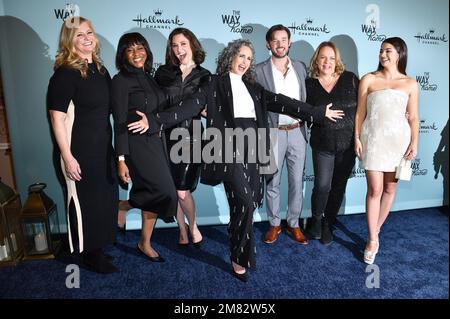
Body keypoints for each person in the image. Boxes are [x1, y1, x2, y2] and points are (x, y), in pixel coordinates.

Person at [144, 39, 344, 282]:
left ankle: (236, 235)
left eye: (249, 58)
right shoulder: (214, 84)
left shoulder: (254, 88)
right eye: (241, 56)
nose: (245, 62)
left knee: (247, 204)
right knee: (246, 203)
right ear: (230, 56)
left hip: (254, 148)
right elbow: (188, 107)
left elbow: (284, 102)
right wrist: (153, 121)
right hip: (227, 148)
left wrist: (317, 112)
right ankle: (239, 257)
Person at [47, 16, 119, 273]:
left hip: (102, 149)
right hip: (78, 151)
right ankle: (84, 253)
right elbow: (57, 117)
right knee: (83, 203)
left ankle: (94, 248)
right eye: (79, 34)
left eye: (89, 32)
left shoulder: (101, 71)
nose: (86, 37)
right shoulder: (65, 74)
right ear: (69, 41)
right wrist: (67, 156)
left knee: (102, 200)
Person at [111, 32, 180, 262]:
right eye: (130, 50)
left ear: (147, 51)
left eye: (140, 48)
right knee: (164, 191)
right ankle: (125, 208)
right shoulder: (120, 81)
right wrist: (121, 159)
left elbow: (157, 108)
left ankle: (143, 240)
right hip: (135, 144)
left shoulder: (150, 76)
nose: (137, 54)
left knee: (154, 193)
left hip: (155, 141)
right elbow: (119, 121)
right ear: (123, 56)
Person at [354, 37, 419, 264]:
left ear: (400, 53)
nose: (383, 55)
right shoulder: (369, 79)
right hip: (373, 140)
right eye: (381, 51)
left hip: (399, 142)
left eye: (388, 51)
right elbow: (360, 113)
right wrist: (356, 138)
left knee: (390, 189)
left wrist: (414, 143)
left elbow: (414, 117)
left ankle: (376, 231)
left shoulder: (411, 83)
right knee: (375, 189)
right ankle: (372, 239)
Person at [153, 28, 210, 247]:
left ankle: (193, 225)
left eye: (183, 44)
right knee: (172, 188)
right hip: (165, 137)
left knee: (182, 191)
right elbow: (155, 102)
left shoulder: (205, 76)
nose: (179, 50)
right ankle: (182, 231)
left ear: (192, 45)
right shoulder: (163, 73)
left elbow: (206, 105)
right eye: (174, 45)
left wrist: (207, 110)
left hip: (192, 137)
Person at [255, 24, 308, 245]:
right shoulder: (258, 71)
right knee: (272, 181)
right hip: (271, 134)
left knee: (297, 182)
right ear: (268, 44)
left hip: (297, 132)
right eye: (275, 40)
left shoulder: (301, 68)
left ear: (290, 42)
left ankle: (293, 224)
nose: (280, 44)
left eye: (284, 39)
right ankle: (274, 223)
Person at [305, 42, 359, 245]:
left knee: (337, 187)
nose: (327, 62)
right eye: (323, 57)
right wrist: (320, 114)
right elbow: (305, 112)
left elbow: (368, 103)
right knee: (322, 186)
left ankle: (328, 223)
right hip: (322, 144)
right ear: (316, 60)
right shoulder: (309, 84)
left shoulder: (350, 79)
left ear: (337, 61)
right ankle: (316, 220)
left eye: (331, 58)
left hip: (347, 145)